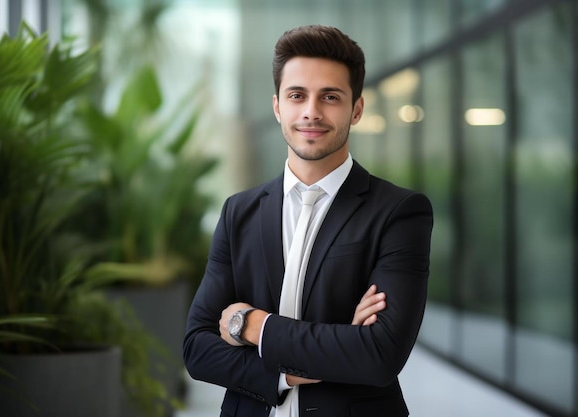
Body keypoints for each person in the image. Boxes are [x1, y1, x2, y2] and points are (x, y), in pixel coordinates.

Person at [183, 25, 433, 417]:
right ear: (278, 106)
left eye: (330, 97)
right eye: (297, 95)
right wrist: (302, 366)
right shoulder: (238, 211)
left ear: (357, 109)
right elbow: (197, 349)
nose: (311, 111)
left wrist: (253, 325)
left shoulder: (399, 212)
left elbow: (379, 355)